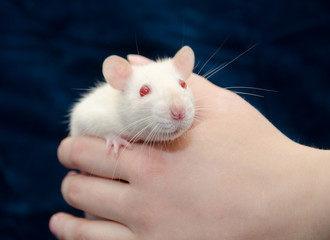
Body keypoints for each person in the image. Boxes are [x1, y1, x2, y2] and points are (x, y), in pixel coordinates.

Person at [49, 72, 330, 239]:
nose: (177, 109)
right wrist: (110, 136)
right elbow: (81, 117)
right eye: (146, 91)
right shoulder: (110, 109)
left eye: (183, 86)